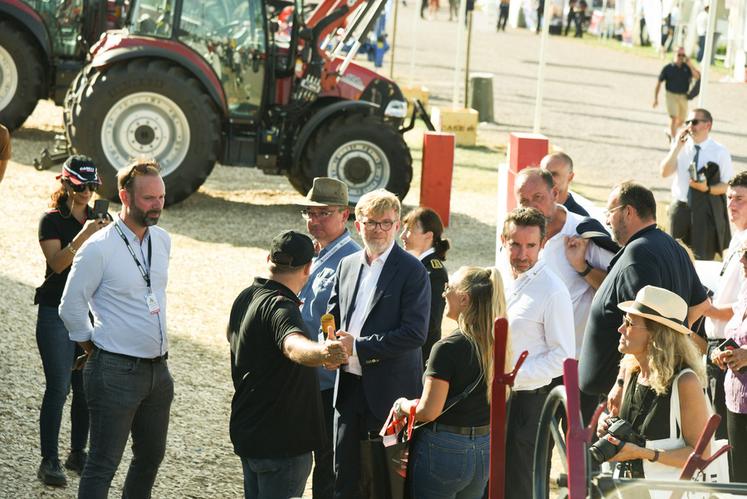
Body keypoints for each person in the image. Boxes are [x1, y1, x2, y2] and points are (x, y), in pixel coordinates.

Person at [59, 159, 172, 498]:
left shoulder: (163, 240)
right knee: (103, 465)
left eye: (161, 197)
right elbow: (70, 306)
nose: (157, 206)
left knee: (150, 458)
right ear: (125, 196)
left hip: (158, 370)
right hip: (114, 370)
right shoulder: (98, 248)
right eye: (149, 198)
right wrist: (91, 346)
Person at [227, 230, 348, 499]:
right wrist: (324, 352)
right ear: (308, 268)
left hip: (251, 430)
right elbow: (293, 345)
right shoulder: (282, 307)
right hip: (281, 442)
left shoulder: (246, 296)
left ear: (269, 258)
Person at [327, 188, 430, 499]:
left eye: (386, 223)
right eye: (372, 223)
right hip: (347, 389)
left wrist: (357, 346)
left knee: (385, 485)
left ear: (397, 225)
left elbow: (415, 333)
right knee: (344, 479)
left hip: (390, 394)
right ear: (358, 225)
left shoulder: (412, 271)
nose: (379, 230)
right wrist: (327, 346)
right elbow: (332, 316)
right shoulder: (346, 265)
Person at [579, 182, 709, 412]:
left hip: (623, 396)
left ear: (628, 211)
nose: (607, 221)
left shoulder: (638, 254)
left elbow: (639, 325)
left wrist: (621, 383)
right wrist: (673, 332)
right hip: (643, 387)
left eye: (610, 213)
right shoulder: (671, 245)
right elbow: (701, 304)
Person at [391, 266, 506, 499]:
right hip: (484, 447)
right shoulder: (499, 342)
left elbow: (429, 411)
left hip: (444, 449)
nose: (444, 294)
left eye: (448, 288)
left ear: (464, 298)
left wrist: (401, 405)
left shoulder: (447, 348)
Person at [34, 156, 110, 486]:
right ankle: (48, 460)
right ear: (65, 183)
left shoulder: (99, 219)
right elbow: (57, 264)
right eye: (80, 186)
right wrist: (84, 236)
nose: (87, 193)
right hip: (54, 311)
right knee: (58, 387)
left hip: (89, 311)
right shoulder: (51, 220)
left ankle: (77, 451)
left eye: (92, 187)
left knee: (85, 387)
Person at [597, 286, 710, 479]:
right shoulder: (632, 371)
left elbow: (701, 455)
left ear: (656, 336)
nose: (621, 328)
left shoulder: (685, 381)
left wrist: (644, 453)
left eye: (629, 323)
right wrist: (605, 424)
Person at [500, 207, 575, 499]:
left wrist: (513, 377)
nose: (522, 253)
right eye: (515, 244)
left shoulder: (553, 291)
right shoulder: (501, 279)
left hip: (530, 406)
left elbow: (563, 356)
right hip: (497, 400)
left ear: (543, 245)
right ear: (503, 240)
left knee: (522, 485)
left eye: (530, 245)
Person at [297, 178, 360, 499]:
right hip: (302, 372)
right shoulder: (313, 252)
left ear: (345, 215)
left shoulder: (353, 259)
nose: (314, 220)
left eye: (323, 213)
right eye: (310, 212)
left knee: (327, 465)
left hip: (327, 381)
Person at [514, 168, 614, 357]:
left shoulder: (584, 232)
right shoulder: (513, 232)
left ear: (555, 194)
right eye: (524, 201)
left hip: (572, 357)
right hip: (526, 358)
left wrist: (583, 268)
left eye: (538, 197)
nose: (532, 207)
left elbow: (616, 286)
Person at [700, 171, 747, 440]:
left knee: (726, 441)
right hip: (720, 346)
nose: (731, 204)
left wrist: (707, 308)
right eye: (729, 198)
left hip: (733, 349)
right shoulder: (737, 239)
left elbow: (742, 305)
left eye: (739, 199)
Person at [660, 108, 732, 260]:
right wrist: (677, 147)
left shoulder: (720, 151)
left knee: (702, 258)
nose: (690, 126)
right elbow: (664, 173)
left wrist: (707, 188)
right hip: (680, 208)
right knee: (674, 256)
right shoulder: (681, 146)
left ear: (708, 125)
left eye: (694, 122)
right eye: (687, 122)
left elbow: (726, 185)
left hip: (705, 210)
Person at [712, 249, 747, 483]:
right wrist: (720, 351)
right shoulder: (744, 291)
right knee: (738, 478)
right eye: (743, 253)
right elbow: (733, 333)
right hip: (736, 400)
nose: (742, 260)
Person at [401, 207, 450, 366]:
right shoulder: (415, 267)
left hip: (418, 359)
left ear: (428, 236)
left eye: (409, 230)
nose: (402, 236)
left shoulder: (434, 273)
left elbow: (430, 323)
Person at [653, 47, 701, 141]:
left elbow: (697, 76)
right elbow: (659, 83)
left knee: (682, 120)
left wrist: (690, 64)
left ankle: (670, 130)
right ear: (674, 54)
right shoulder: (668, 68)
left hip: (683, 96)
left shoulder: (687, 67)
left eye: (683, 55)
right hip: (671, 95)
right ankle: (673, 140)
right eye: (679, 55)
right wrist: (656, 98)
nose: (681, 57)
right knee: (674, 118)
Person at [540, 152, 589, 217]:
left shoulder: (580, 218)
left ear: (570, 177)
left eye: (554, 174)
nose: (548, 178)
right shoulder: (532, 209)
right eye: (545, 173)